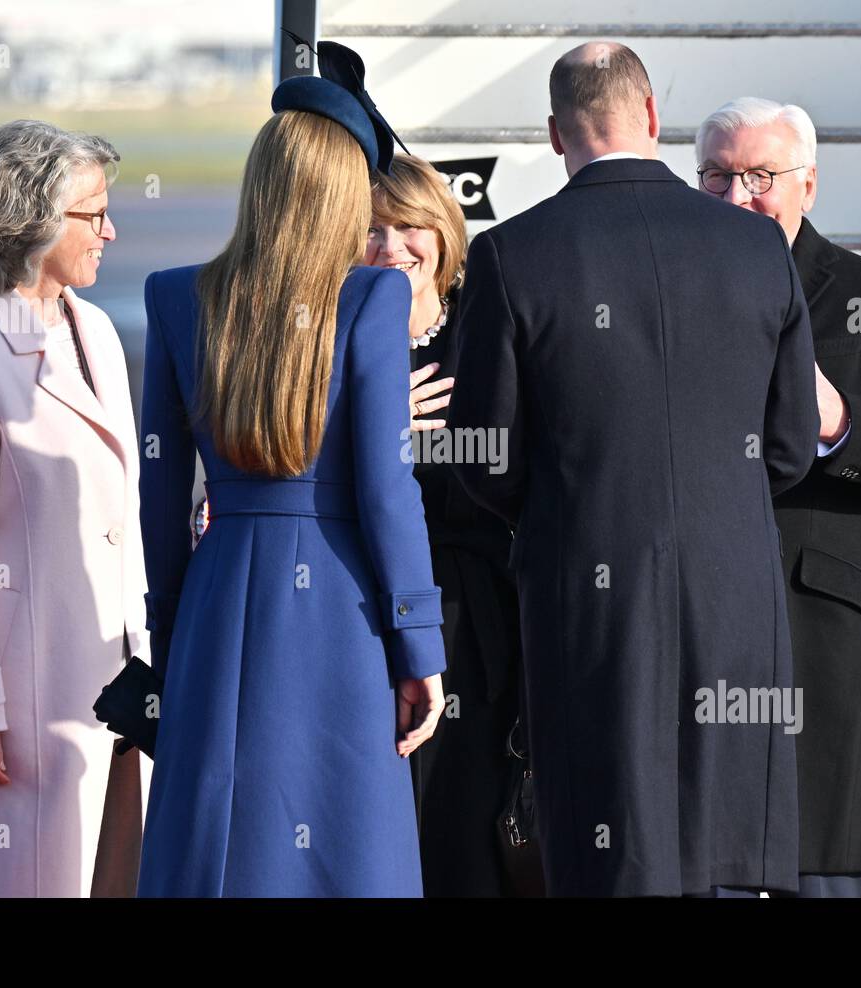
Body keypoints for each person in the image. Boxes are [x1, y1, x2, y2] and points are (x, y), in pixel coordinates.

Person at [447, 41, 819, 897]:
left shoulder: (511, 254)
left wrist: (573, 514)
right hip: (733, 592)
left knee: (609, 846)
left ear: (554, 133)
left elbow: (485, 454)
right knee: (726, 851)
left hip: (589, 594)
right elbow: (792, 443)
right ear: (652, 117)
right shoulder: (760, 248)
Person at [135, 69, 446, 897]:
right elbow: (387, 488)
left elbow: (159, 495)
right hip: (339, 609)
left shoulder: (176, 297)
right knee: (346, 847)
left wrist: (173, 637)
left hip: (218, 597)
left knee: (218, 847)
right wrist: (419, 643)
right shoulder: (373, 297)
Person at [695, 97, 861, 898]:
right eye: (718, 177)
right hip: (697, 622)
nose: (739, 197)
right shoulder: (666, 290)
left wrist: (838, 420)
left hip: (819, 631)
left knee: (823, 873)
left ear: (809, 184)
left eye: (761, 176)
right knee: (703, 864)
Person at [0, 119, 149, 897]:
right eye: (93, 215)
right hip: (27, 698)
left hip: (122, 683)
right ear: (33, 220)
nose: (110, 230)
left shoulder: (99, 331)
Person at [366, 154, 532, 896]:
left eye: (409, 227)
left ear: (445, 232)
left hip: (475, 623)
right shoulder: (325, 341)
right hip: (361, 617)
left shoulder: (486, 331)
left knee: (462, 833)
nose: (392, 246)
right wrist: (371, 424)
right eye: (372, 229)